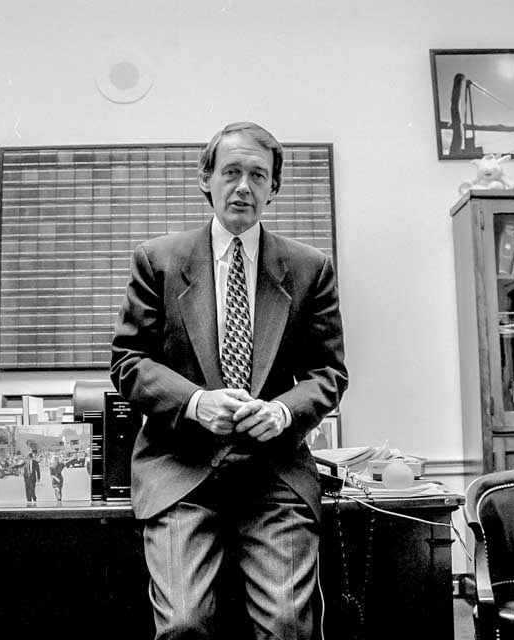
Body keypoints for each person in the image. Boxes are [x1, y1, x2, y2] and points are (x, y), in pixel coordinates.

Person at [111, 121, 348, 639]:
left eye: (258, 175)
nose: (244, 186)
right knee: (184, 625)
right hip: (182, 472)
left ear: (273, 188)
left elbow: (328, 372)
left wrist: (283, 411)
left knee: (287, 625)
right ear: (206, 178)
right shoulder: (159, 261)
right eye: (232, 172)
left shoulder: (310, 269)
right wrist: (196, 402)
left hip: (274, 475)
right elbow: (129, 362)